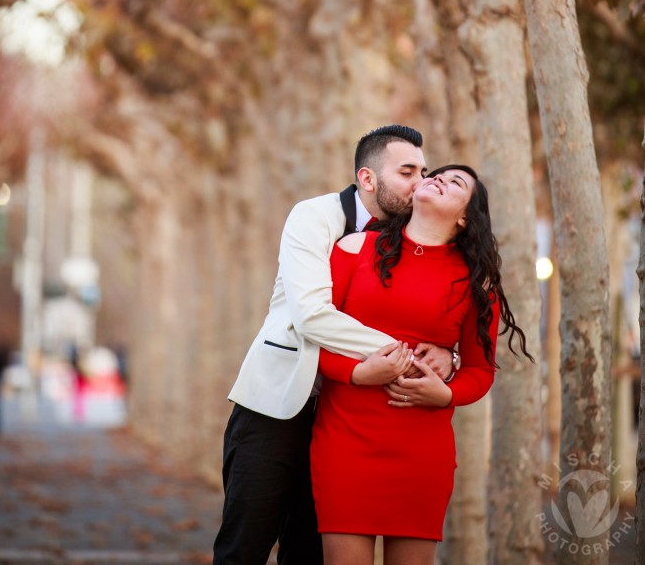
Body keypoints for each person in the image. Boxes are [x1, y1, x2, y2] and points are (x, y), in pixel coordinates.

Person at [213, 126, 456, 565]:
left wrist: (449, 355)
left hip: (345, 423)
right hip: (277, 405)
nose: (421, 182)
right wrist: (407, 356)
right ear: (367, 178)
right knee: (243, 547)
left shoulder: (415, 237)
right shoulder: (312, 216)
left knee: (307, 554)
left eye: (424, 171)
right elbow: (311, 314)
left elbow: (434, 312)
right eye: (407, 172)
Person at [310, 165, 534, 565]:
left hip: (421, 453)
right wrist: (358, 373)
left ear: (465, 217)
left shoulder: (476, 282)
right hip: (344, 442)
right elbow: (314, 340)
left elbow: (481, 372)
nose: (440, 179)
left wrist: (445, 393)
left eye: (456, 183)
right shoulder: (354, 249)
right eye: (438, 174)